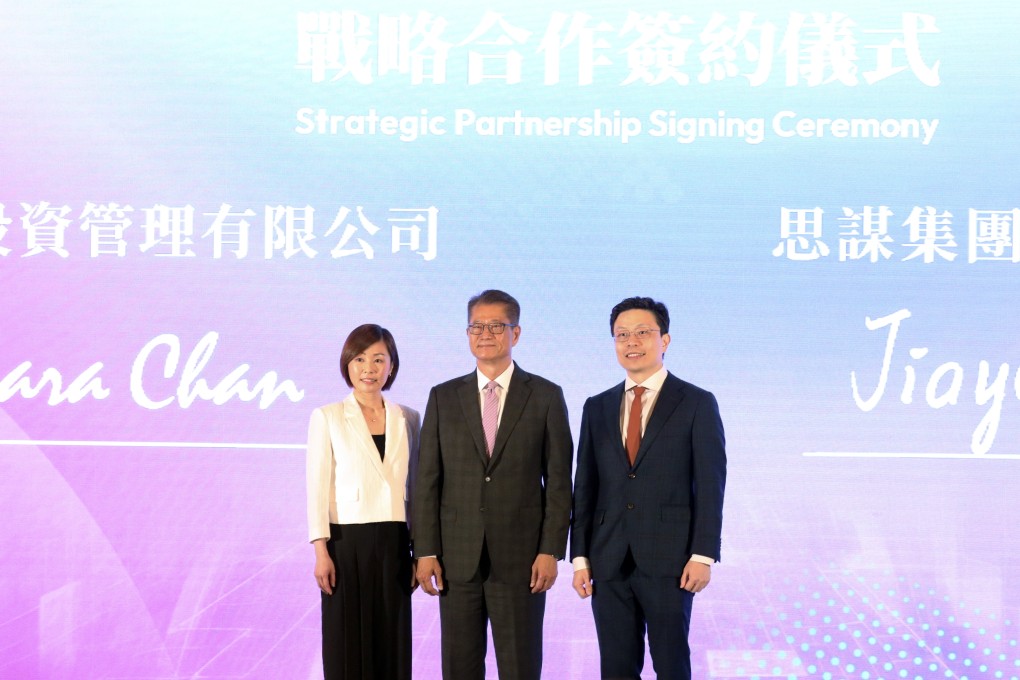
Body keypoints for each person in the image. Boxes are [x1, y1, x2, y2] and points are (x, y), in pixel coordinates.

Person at [413, 289, 573, 680]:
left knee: (520, 668)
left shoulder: (546, 396)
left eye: (496, 326)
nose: (485, 334)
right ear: (468, 333)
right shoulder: (443, 396)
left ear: (515, 334)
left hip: (521, 562)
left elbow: (557, 481)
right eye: (476, 326)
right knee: (459, 668)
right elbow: (427, 480)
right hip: (456, 560)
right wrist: (427, 549)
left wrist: (551, 549)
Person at [570, 297, 727, 680]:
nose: (632, 342)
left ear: (665, 340)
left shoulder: (696, 402)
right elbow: (585, 485)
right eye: (622, 335)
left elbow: (711, 484)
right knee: (616, 667)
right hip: (608, 560)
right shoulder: (597, 406)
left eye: (643, 332)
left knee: (672, 665)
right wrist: (580, 557)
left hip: (671, 560)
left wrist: (703, 554)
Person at [306, 324, 420, 680]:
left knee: (391, 638)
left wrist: (421, 550)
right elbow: (317, 486)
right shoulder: (327, 416)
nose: (368, 368)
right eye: (359, 359)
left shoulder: (409, 418)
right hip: (345, 542)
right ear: (347, 364)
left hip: (396, 541)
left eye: (378, 359)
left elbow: (417, 487)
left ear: (391, 365)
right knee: (346, 641)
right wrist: (321, 551)